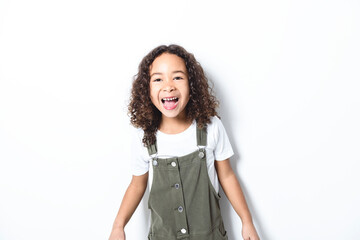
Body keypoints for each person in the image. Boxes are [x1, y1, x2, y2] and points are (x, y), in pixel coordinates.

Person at [109, 44, 260, 240]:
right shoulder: (144, 136)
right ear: (147, 89)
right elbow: (137, 185)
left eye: (178, 77)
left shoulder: (211, 127)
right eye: (158, 79)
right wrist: (118, 226)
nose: (168, 85)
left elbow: (227, 176)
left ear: (192, 85)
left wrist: (247, 222)